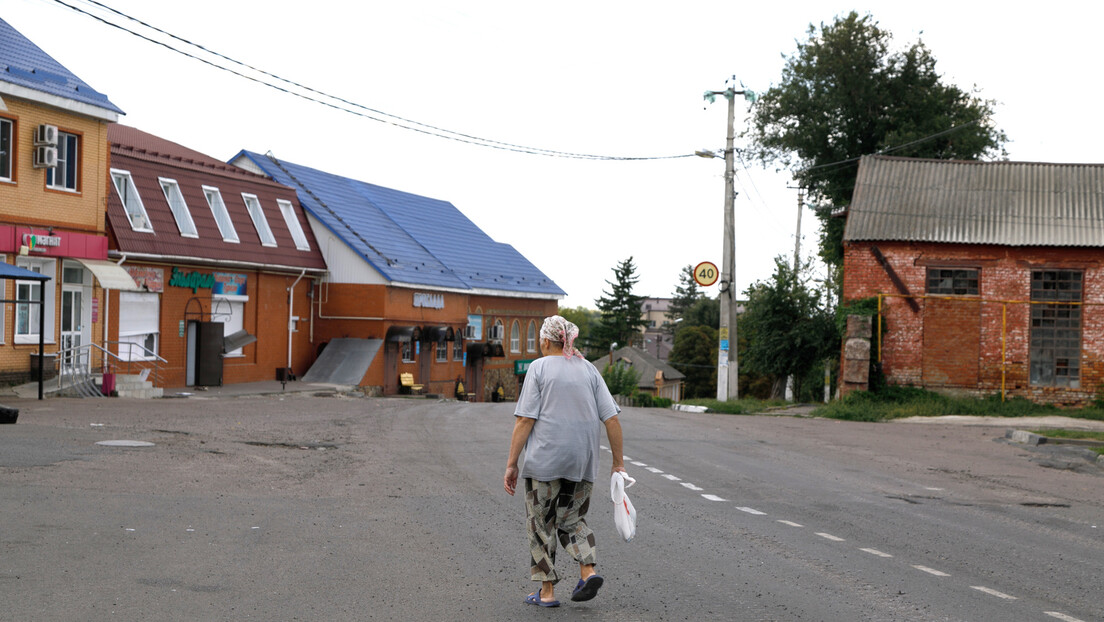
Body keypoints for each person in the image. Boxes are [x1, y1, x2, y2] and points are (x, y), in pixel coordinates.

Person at [503, 315, 626, 608]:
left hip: (545, 463)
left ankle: (546, 593)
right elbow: (611, 418)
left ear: (546, 341)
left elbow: (525, 420)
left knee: (541, 524)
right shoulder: (589, 370)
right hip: (582, 463)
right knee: (572, 519)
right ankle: (588, 571)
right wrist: (617, 463)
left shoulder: (539, 367)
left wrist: (511, 463)